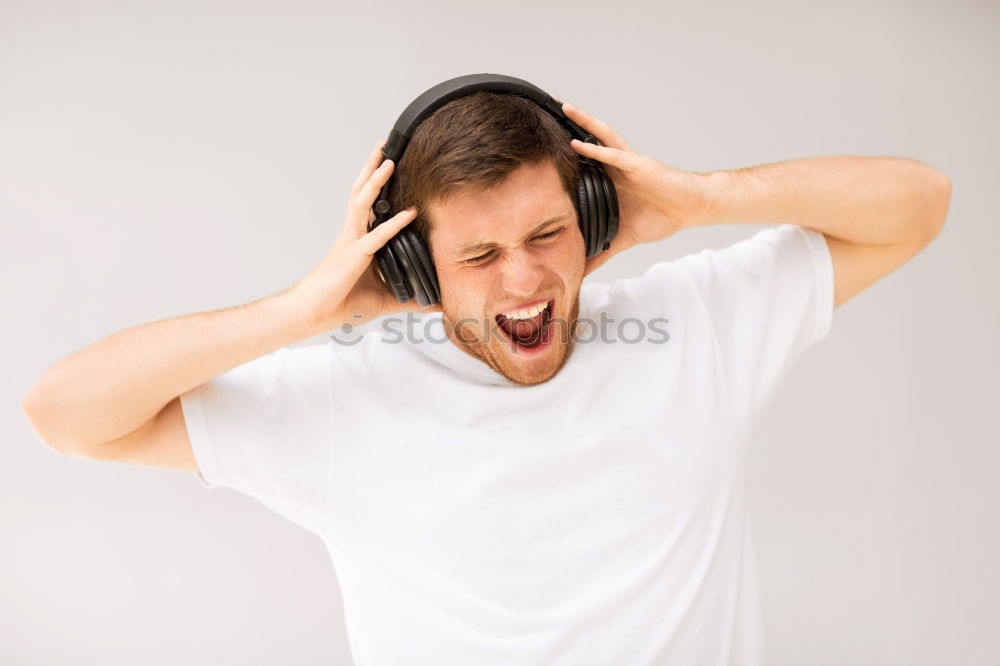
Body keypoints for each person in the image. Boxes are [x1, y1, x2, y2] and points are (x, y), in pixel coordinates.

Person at [21, 91, 951, 665]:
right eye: (479, 254)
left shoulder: (696, 323)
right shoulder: (344, 397)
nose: (524, 279)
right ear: (418, 270)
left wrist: (706, 199)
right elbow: (66, 414)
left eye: (548, 234)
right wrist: (306, 312)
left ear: (591, 216)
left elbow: (919, 206)